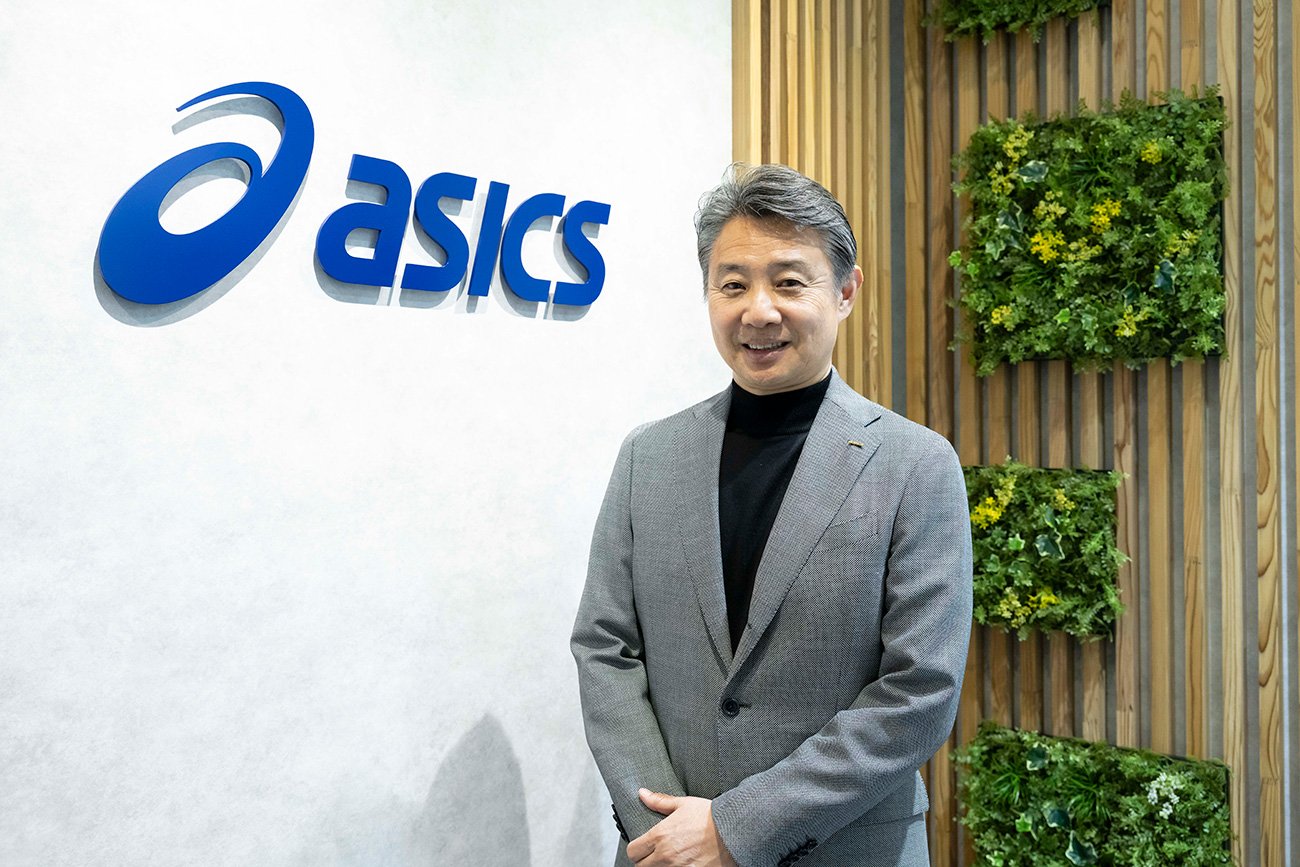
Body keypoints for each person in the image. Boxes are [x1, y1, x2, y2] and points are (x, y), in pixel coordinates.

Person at [571, 163, 972, 867]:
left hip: (846, 849)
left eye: (788, 282)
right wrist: (658, 822)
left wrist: (735, 827)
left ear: (845, 292)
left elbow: (920, 691)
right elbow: (605, 647)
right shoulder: (648, 456)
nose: (758, 311)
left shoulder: (915, 463)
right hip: (664, 849)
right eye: (732, 284)